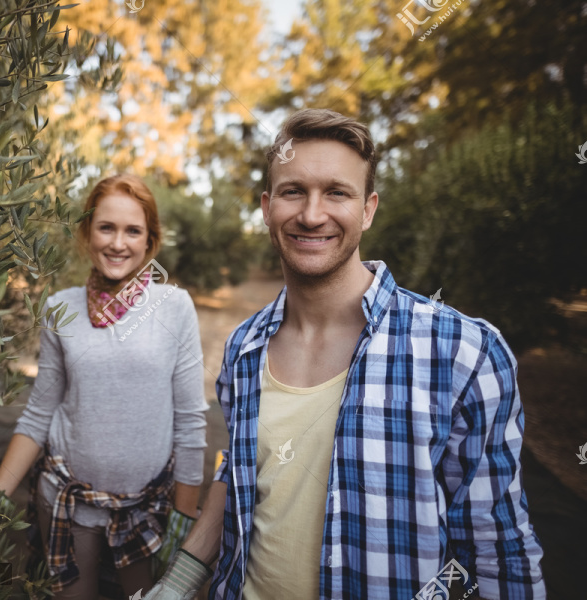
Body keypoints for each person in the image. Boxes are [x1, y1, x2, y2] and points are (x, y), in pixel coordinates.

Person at [146, 109, 546, 599]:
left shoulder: (462, 353)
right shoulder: (244, 349)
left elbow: (498, 547)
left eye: (337, 192)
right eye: (294, 191)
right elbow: (239, 474)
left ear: (368, 209)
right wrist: (177, 584)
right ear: (268, 207)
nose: (312, 215)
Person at [0, 174, 209, 599]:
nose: (118, 243)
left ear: (150, 241)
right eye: (106, 227)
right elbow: (39, 413)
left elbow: (190, 420)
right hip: (67, 502)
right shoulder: (60, 309)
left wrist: (184, 522)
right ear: (87, 232)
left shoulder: (174, 307)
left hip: (147, 509)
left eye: (133, 231)